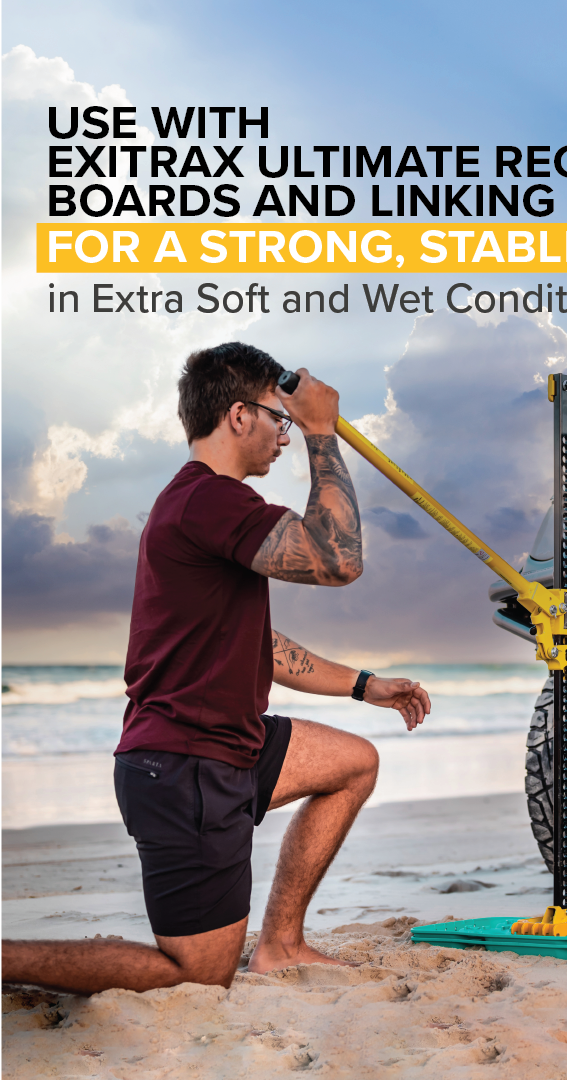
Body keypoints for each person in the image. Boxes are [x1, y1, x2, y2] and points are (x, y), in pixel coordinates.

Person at [2, 342, 430, 994]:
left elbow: (261, 641)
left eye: (292, 422)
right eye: (276, 417)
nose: (284, 433)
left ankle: (281, 944)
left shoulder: (203, 506)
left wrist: (364, 686)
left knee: (352, 763)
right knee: (197, 977)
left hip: (232, 744)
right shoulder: (207, 502)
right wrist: (321, 431)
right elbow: (336, 560)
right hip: (184, 766)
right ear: (237, 416)